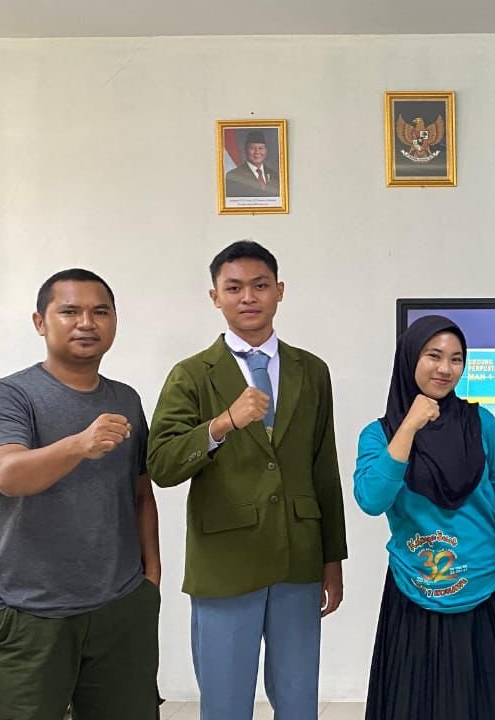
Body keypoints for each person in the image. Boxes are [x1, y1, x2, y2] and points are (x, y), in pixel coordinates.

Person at [147, 241, 346, 720]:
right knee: (225, 701)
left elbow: (324, 468)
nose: (248, 297)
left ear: (280, 291)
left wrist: (332, 557)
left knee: (299, 699)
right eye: (234, 288)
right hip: (225, 561)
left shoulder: (311, 370)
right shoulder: (192, 374)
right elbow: (162, 464)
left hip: (299, 557)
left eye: (260, 285)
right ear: (214, 296)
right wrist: (221, 425)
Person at [0, 268, 161, 719]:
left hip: (119, 608)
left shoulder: (126, 399)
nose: (87, 323)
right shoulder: (9, 396)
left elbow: (140, 493)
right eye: (70, 311)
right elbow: (7, 475)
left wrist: (150, 580)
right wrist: (79, 445)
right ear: (40, 322)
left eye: (101, 312)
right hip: (27, 612)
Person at [354, 315, 495, 720]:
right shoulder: (379, 434)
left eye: (456, 358)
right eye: (433, 355)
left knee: (489, 703)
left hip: (486, 585)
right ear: (410, 357)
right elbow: (372, 499)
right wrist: (409, 427)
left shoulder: (481, 423)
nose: (445, 368)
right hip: (416, 588)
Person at [224, 130, 280, 197]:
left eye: (260, 148)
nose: (257, 152)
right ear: (245, 150)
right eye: (252, 148)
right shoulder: (233, 176)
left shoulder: (274, 175)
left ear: (266, 150)